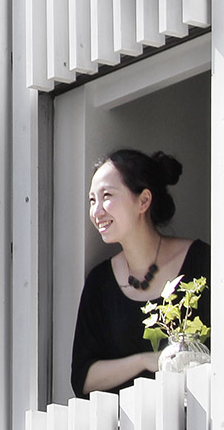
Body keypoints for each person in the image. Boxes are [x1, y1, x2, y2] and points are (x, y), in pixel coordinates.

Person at [70, 148, 211, 397]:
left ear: (143, 201)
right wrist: (146, 361)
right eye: (92, 200)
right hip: (125, 422)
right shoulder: (100, 283)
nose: (96, 211)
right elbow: (83, 378)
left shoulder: (201, 261)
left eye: (107, 196)